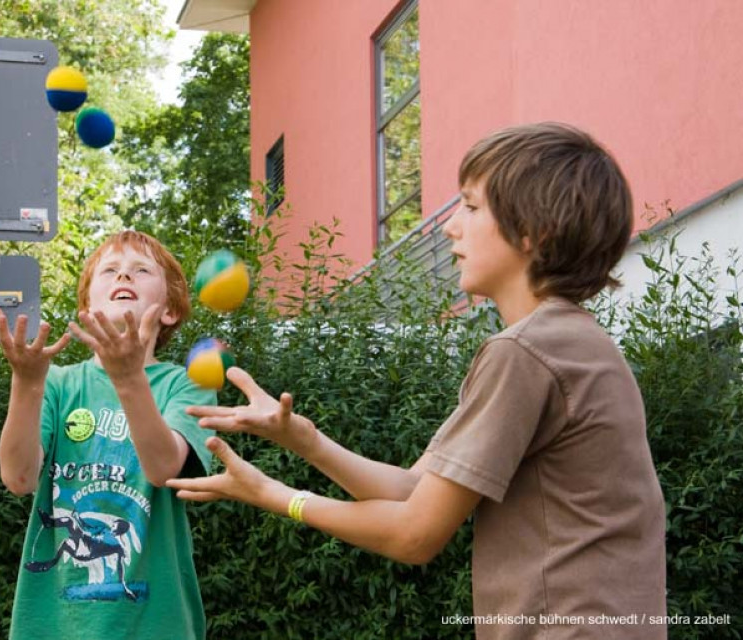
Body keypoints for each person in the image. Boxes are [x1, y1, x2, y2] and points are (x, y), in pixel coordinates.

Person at [167, 123, 667, 639]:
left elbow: (414, 535)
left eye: (472, 207)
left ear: (533, 232)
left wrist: (272, 494)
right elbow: (413, 491)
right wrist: (302, 439)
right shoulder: (568, 343)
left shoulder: (526, 353)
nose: (450, 226)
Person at [0, 230, 216, 640]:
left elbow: (164, 468)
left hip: (156, 627)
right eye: (110, 270)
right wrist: (26, 383)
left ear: (169, 310)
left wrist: (129, 378)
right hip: (54, 627)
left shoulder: (187, 385)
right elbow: (18, 478)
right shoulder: (58, 384)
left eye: (140, 270)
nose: (123, 277)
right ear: (88, 307)